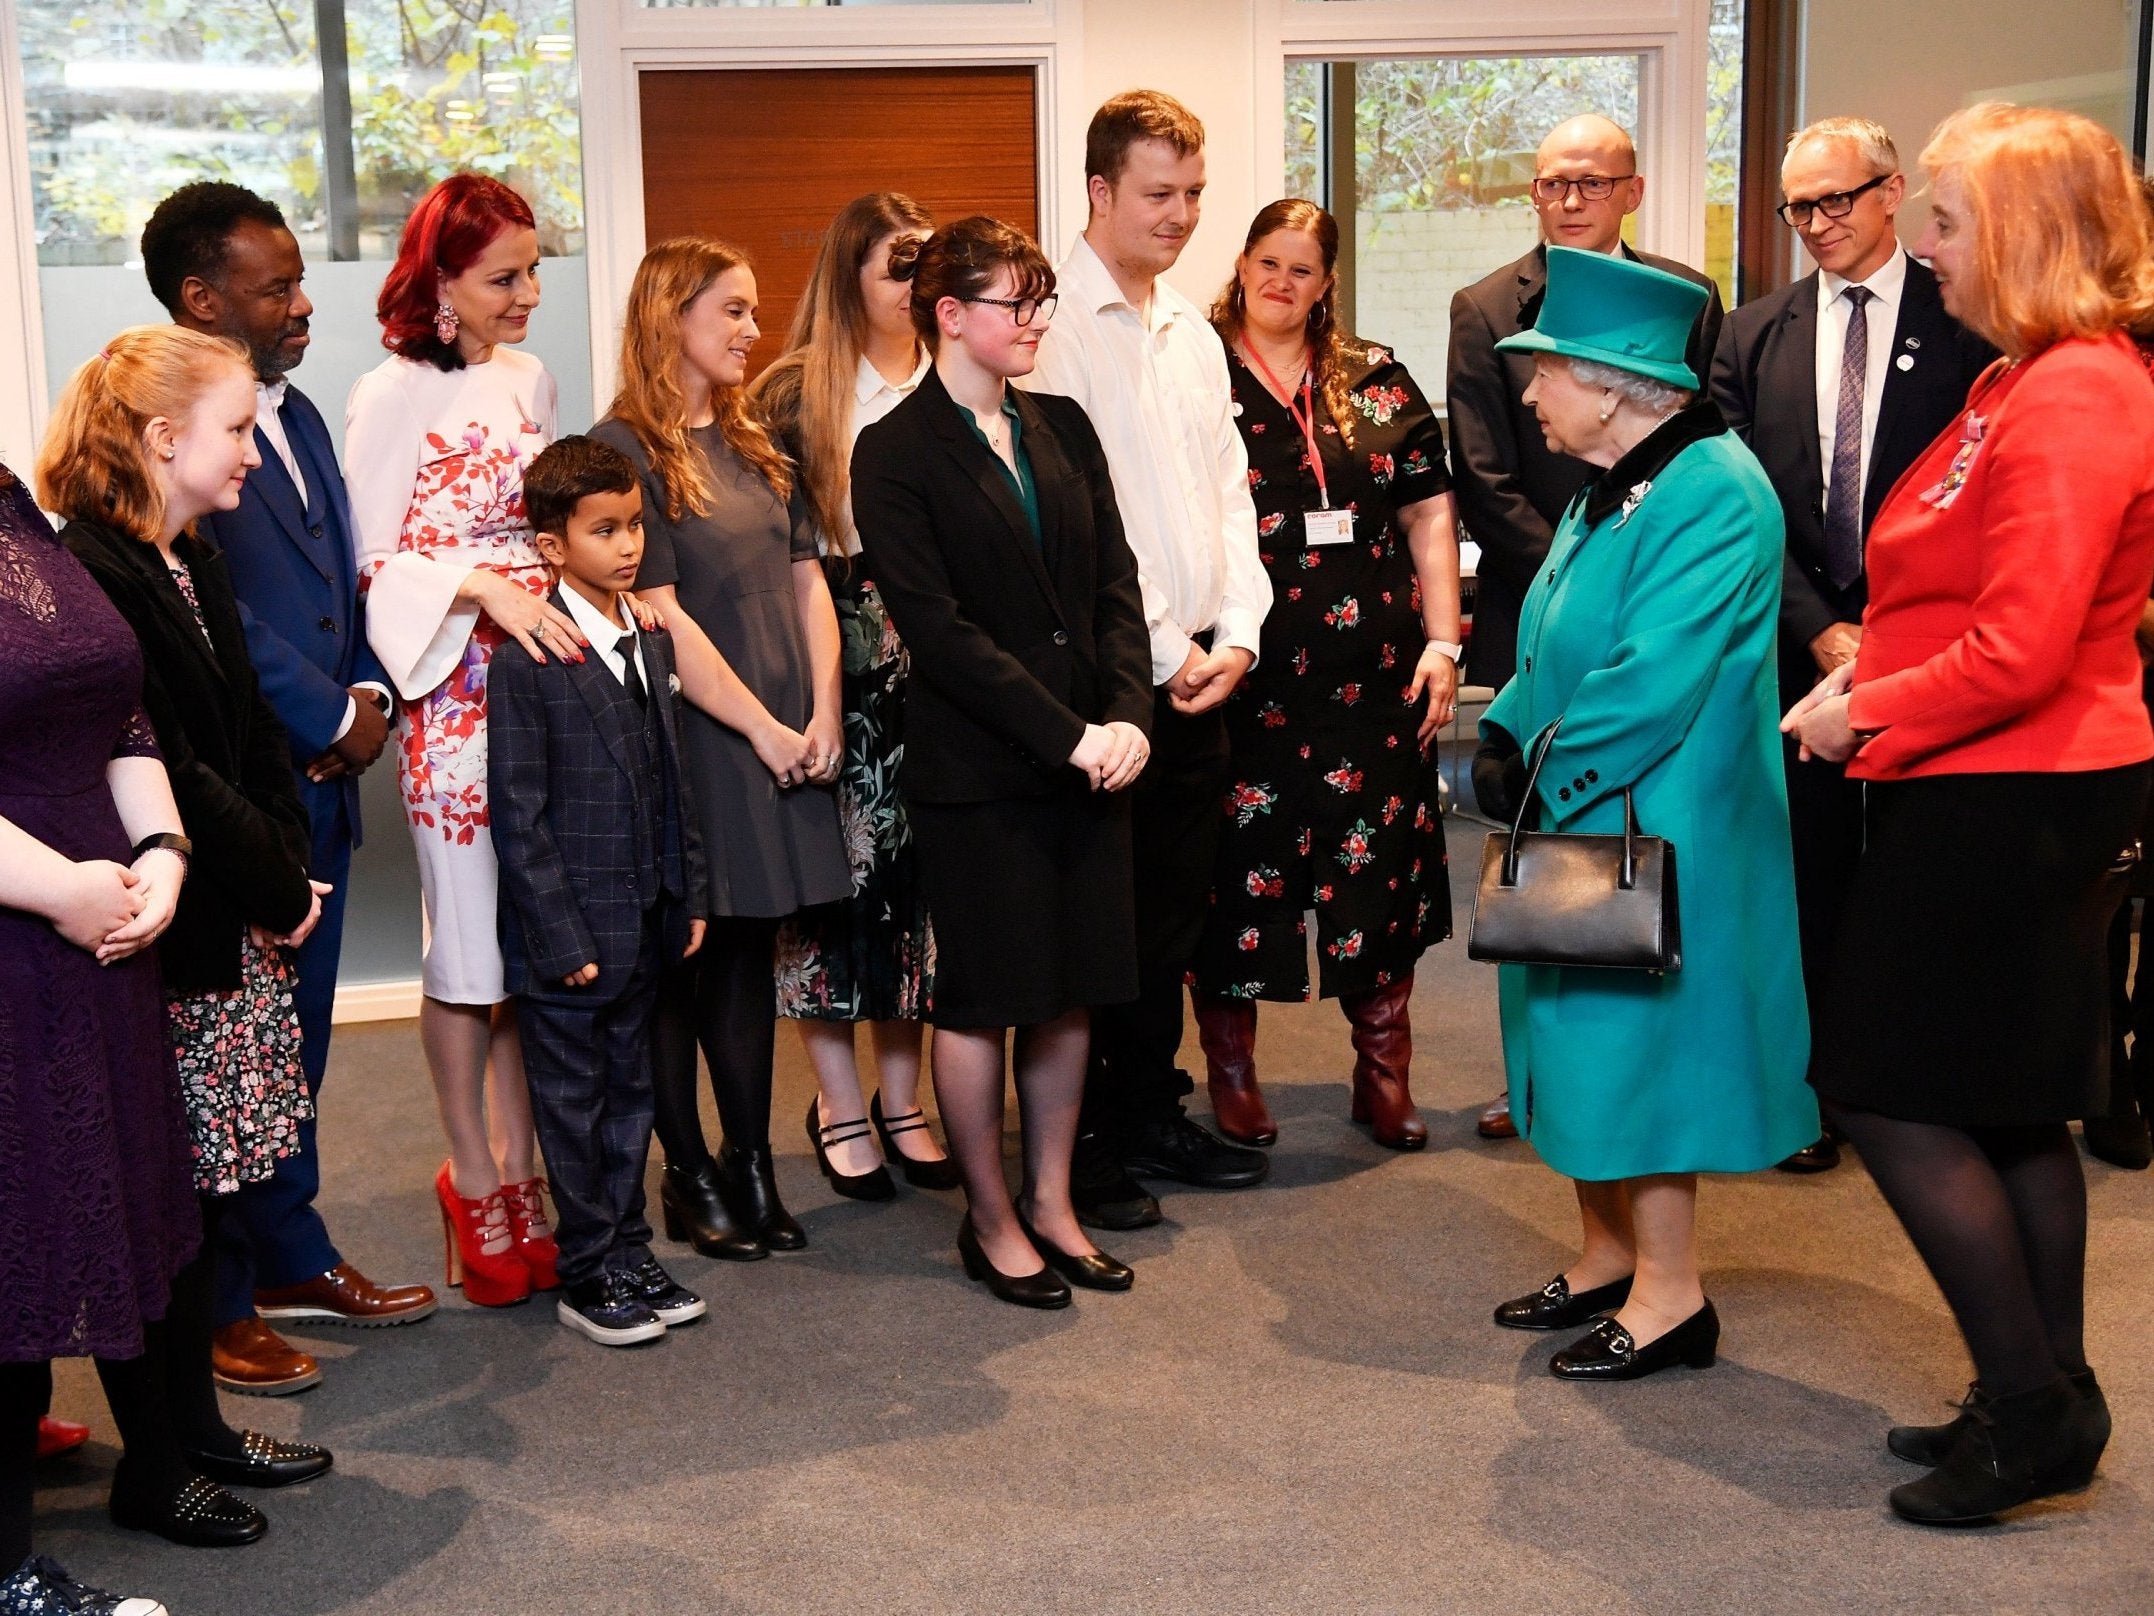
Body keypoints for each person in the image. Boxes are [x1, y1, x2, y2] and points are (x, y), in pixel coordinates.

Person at [1785, 103, 2154, 1526]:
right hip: (1988, 780)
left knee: (1880, 1083)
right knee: (2008, 1104)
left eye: (1939, 221)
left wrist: (1857, 706)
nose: (1918, 248)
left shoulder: (2075, 394)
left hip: (2019, 792)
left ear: (2015, 234)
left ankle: (2025, 1405)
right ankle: (2044, 1392)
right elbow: (1959, 596)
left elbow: (2024, 648)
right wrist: (1877, 660)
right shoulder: (2019, 379)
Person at [1478, 248, 1816, 1380]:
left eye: (1546, 374)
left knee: (1644, 1049)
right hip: (1588, 804)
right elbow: (1552, 635)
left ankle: (1674, 1297)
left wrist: (1534, 766)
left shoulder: (1717, 490)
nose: (1529, 395)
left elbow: (1649, 679)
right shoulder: (1615, 483)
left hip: (1661, 819)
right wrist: (1507, 719)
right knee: (1569, 1031)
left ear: (1615, 381)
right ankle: (1605, 1252)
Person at [143, 181, 438, 1396]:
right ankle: (219, 1301)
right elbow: (212, 605)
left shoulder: (301, 413)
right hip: (247, 782)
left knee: (299, 1042)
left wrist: (368, 692)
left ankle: (291, 1254)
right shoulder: (161, 432)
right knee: (232, 1059)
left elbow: (343, 583)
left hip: (327, 771)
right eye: (275, 285)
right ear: (203, 299)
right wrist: (323, 714)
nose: (304, 301)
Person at [50, 325, 337, 1545]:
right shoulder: (97, 572)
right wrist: (278, 880)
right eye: (234, 433)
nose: (253, 460)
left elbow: (254, 738)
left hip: (238, 908)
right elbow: (166, 764)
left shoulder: (188, 556)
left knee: (211, 1194)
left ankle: (203, 1431)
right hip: (171, 930)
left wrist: (287, 858)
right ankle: (158, 1461)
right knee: (164, 1208)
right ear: (166, 439)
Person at [855, 215, 1154, 1307]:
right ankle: (991, 1217)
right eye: (1014, 303)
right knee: (986, 997)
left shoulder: (1063, 426)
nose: (1034, 322)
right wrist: (1066, 733)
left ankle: (1055, 1200)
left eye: (1041, 303)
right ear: (950, 314)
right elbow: (939, 632)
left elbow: (1116, 588)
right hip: (983, 768)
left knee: (1071, 995)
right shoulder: (892, 449)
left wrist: (1128, 715)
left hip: (1094, 754)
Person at [1710, 119, 1995, 1176]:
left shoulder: (1967, 320)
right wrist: (1817, 624)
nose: (1819, 224)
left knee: (1920, 875)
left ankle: (1919, 1083)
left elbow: (1981, 497)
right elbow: (1743, 507)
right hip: (1800, 647)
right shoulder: (1750, 335)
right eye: (1800, 208)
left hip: (1936, 650)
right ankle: (1819, 1091)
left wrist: (1895, 635)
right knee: (1808, 876)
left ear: (1893, 193)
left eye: (1838, 200)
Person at [1450, 113, 1724, 1143]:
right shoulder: (1485, 310)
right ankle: (1550, 1093)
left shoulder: (1685, 323)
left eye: (1589, 180)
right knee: (1559, 925)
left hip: (1629, 692)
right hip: (1549, 622)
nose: (1568, 197)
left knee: (1622, 931)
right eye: (1550, 181)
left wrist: (1598, 608)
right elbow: (1485, 476)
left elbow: (1653, 671)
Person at [1026, 89, 1273, 1228]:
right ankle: (1083, 1148)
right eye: (1160, 194)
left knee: (1177, 916)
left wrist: (1240, 631)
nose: (1182, 215)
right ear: (1099, 192)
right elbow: (1086, 519)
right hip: (1113, 684)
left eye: (1194, 194)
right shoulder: (1050, 328)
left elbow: (1227, 488)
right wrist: (1172, 648)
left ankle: (1148, 1111)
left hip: (1205, 673)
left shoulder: (1187, 330)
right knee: (1104, 929)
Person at [593, 238, 852, 1258]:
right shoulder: (623, 448)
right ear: (672, 319)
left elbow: (807, 581)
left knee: (750, 954)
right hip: (699, 734)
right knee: (683, 959)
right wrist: (762, 726)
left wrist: (824, 709)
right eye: (732, 312)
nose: (753, 330)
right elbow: (655, 611)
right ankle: (689, 1171)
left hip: (787, 723)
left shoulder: (753, 441)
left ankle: (750, 1162)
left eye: (752, 310)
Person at [1188, 199, 1460, 1150]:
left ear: (1327, 281)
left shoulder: (1376, 379)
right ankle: (1232, 1073)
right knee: (1237, 875)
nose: (1281, 282)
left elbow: (1430, 514)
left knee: (1377, 869)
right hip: (1243, 678)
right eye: (1268, 261)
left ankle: (1382, 1071)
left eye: (1302, 269)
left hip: (1372, 680)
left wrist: (1444, 641)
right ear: (1242, 262)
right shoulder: (1192, 368)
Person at [347, 173, 566, 1309]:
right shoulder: (386, 396)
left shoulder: (531, 378)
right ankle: (469, 1173)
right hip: (456, 689)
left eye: (535, 269)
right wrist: (479, 583)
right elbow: (371, 559)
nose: (530, 293)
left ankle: (526, 1176)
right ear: (439, 284)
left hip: (544, 679)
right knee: (466, 942)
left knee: (533, 938)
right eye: (504, 277)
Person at [1, 458, 190, 1613]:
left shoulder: (13, 500)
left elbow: (119, 704)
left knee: (91, 1202)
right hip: (26, 920)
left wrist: (162, 853)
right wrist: (59, 889)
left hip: (102, 920)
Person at [752, 193, 960, 1199]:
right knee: (835, 889)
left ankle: (904, 1094)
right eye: (898, 263)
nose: (918, 284)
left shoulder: (954, 376)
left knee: (920, 890)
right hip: (829, 648)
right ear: (849, 276)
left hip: (940, 654)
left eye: (928, 264)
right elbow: (770, 558)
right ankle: (838, 1103)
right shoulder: (793, 393)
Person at [489, 436, 711, 1348]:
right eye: (604, 530)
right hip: (571, 937)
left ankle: (627, 1244)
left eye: (635, 526)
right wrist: (557, 933)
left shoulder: (648, 640)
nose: (628, 546)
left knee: (634, 1091)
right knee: (574, 1106)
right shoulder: (526, 661)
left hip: (647, 913)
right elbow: (519, 813)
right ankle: (587, 1267)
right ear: (551, 547)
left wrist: (687, 888)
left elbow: (674, 780)